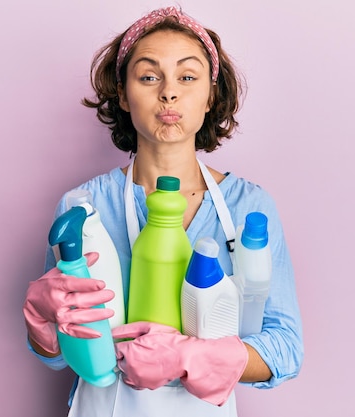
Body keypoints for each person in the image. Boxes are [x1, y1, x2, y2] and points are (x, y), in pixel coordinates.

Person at [22, 6, 303, 417]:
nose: (168, 92)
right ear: (123, 93)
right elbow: (58, 357)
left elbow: (285, 348)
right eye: (149, 76)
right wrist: (41, 325)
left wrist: (194, 359)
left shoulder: (249, 207)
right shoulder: (83, 207)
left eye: (187, 77)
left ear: (210, 95)